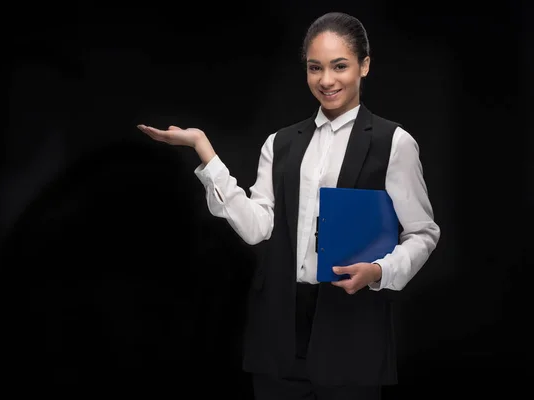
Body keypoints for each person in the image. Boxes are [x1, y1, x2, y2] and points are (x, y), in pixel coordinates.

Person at [137, 11, 440, 400]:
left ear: (365, 66)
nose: (326, 80)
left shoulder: (392, 142)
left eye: (339, 66)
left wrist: (381, 271)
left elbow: (423, 232)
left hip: (350, 325)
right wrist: (204, 150)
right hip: (278, 326)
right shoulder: (280, 143)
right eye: (315, 68)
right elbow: (256, 228)